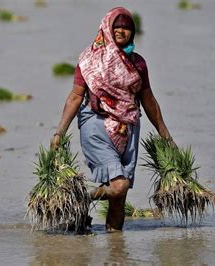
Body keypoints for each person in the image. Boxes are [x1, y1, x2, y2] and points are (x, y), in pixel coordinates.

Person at [51, 7, 173, 232]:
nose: (121, 31)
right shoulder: (89, 60)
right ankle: (83, 199)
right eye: (116, 26)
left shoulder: (138, 63)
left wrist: (164, 133)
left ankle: (115, 249)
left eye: (127, 27)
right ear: (106, 28)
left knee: (119, 199)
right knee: (119, 185)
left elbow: (148, 99)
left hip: (128, 128)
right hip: (95, 124)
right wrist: (60, 131)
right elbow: (76, 96)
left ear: (133, 32)